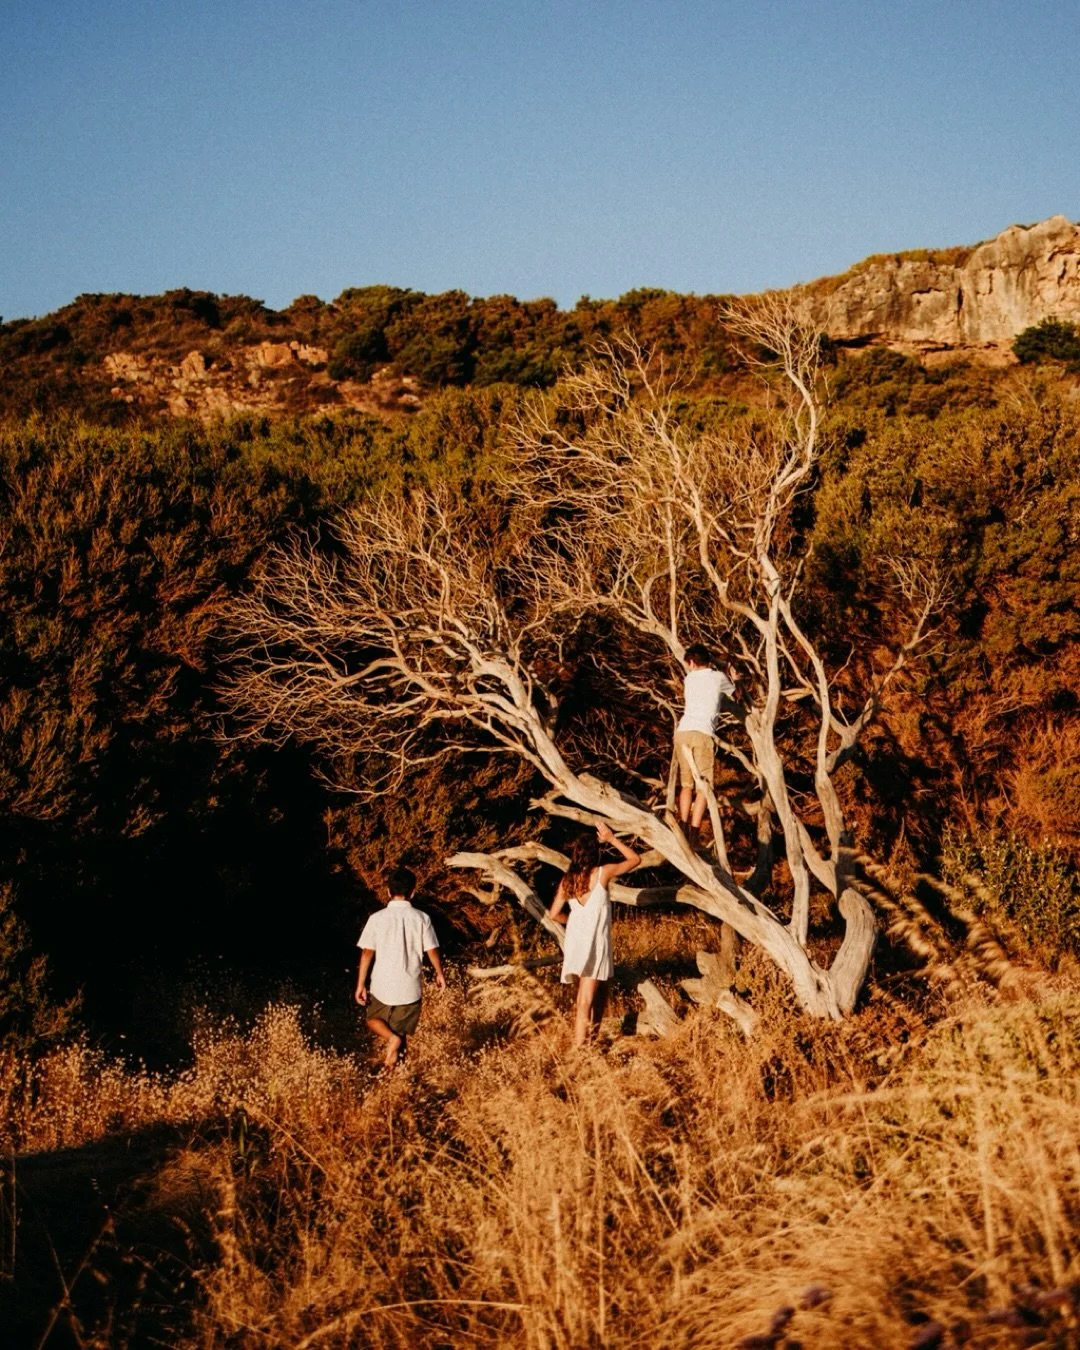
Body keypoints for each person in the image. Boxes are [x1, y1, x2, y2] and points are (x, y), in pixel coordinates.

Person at [547, 823, 642, 1047]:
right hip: (594, 943)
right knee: (585, 999)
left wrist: (574, 921)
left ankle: (591, 1042)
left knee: (598, 994)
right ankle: (581, 1049)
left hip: (576, 941)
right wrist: (612, 839)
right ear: (595, 853)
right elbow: (635, 860)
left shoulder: (567, 880)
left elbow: (553, 914)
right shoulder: (603, 873)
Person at [354, 865, 446, 1070]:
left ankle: (390, 1045)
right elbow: (431, 949)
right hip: (409, 987)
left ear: (388, 891)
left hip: (381, 985)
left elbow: (367, 952)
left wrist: (361, 984)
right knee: (401, 1035)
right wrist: (439, 973)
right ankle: (396, 1072)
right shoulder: (422, 918)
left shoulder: (376, 918)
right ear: (413, 892)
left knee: (373, 1020)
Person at [672, 642, 736, 848]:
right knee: (704, 787)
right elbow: (735, 692)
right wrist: (730, 673)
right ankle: (694, 833)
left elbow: (701, 670)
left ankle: (682, 826)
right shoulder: (718, 678)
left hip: (682, 732)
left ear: (691, 662)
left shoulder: (689, 678)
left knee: (686, 785)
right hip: (702, 734)